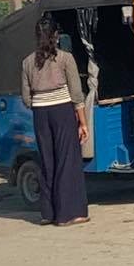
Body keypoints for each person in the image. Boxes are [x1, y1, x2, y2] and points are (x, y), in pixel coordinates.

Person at [20, 17, 89, 226]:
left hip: (40, 114)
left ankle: (48, 213)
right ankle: (69, 214)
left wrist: (40, 104)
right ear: (56, 36)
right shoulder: (65, 58)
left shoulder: (27, 62)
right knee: (67, 160)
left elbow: (26, 97)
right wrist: (83, 123)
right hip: (62, 111)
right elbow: (76, 94)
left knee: (47, 160)